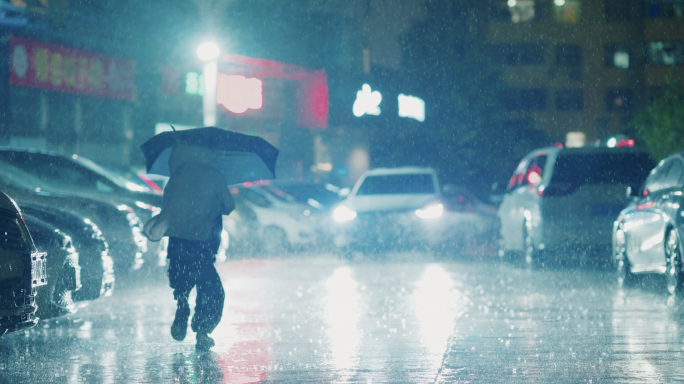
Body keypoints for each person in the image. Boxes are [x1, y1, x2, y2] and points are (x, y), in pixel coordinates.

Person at [143, 144, 235, 351]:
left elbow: (167, 206)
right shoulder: (214, 175)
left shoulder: (177, 176)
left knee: (182, 279)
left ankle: (182, 303)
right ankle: (202, 332)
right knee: (210, 289)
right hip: (204, 241)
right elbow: (229, 206)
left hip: (178, 241)